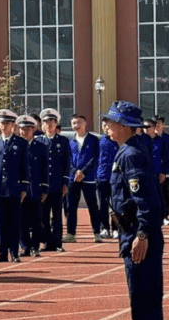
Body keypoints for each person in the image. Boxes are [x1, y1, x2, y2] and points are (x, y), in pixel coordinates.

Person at [103, 100, 165, 320]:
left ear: (125, 126)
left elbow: (147, 202)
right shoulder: (128, 150)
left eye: (112, 122)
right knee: (141, 299)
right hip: (133, 233)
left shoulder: (131, 155)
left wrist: (142, 235)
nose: (107, 125)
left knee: (144, 300)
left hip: (140, 235)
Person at [0, 109, 28, 263]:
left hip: (14, 187)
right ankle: (2, 253)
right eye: (1, 123)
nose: (4, 126)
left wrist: (24, 187)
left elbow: (24, 167)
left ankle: (14, 252)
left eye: (7, 123)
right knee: (0, 223)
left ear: (13, 125)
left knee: (14, 222)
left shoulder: (21, 143)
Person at [65, 114, 102, 243]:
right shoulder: (70, 140)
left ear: (85, 123)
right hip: (73, 178)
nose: (77, 125)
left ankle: (97, 233)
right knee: (71, 207)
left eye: (79, 122)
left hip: (89, 178)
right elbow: (68, 159)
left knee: (93, 206)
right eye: (74, 123)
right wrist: (75, 171)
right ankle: (71, 234)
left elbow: (95, 158)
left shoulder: (93, 139)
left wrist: (83, 172)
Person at [38, 108, 70, 252]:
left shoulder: (63, 141)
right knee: (44, 215)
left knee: (56, 215)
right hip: (43, 184)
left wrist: (65, 182)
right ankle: (47, 242)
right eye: (46, 122)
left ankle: (57, 243)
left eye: (52, 121)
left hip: (57, 183)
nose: (49, 124)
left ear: (56, 124)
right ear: (42, 125)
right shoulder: (39, 140)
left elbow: (66, 163)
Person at [18, 115, 47, 257]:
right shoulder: (16, 145)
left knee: (36, 220)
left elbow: (44, 169)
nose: (24, 132)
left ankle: (35, 246)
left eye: (27, 129)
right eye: (22, 129)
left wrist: (45, 188)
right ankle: (25, 246)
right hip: (20, 189)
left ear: (33, 130)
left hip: (35, 188)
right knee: (21, 220)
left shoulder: (41, 147)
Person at [96, 116, 118, 239]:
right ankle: (104, 228)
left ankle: (116, 228)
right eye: (103, 125)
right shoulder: (99, 141)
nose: (105, 127)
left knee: (116, 204)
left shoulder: (118, 140)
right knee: (103, 204)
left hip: (116, 178)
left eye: (108, 125)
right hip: (102, 177)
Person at [156, 115, 169, 225]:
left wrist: (162, 169)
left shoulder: (167, 138)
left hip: (165, 170)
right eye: (155, 122)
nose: (157, 125)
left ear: (163, 124)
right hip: (152, 171)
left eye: (159, 122)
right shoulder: (149, 138)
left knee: (164, 193)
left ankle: (165, 216)